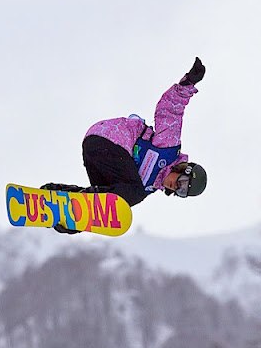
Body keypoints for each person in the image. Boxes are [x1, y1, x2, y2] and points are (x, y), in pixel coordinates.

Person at [42, 57, 208, 234]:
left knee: (102, 213)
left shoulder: (147, 187)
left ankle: (55, 202)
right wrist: (188, 84)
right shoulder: (168, 149)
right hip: (110, 140)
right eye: (182, 183)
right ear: (184, 169)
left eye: (181, 192)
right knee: (131, 195)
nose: (176, 187)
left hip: (97, 153)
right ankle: (74, 204)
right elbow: (169, 111)